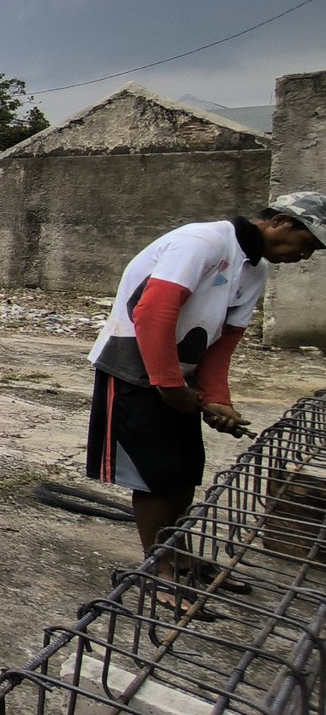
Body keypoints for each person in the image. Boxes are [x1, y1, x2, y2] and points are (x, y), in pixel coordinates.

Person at [88, 192, 326, 599]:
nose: (306, 256)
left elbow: (224, 340)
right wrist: (168, 386)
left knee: (184, 470)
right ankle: (157, 568)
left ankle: (178, 557)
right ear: (284, 222)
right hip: (133, 366)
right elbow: (153, 311)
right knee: (153, 476)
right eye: (309, 244)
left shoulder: (254, 271)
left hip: (180, 376)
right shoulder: (203, 242)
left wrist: (216, 397)